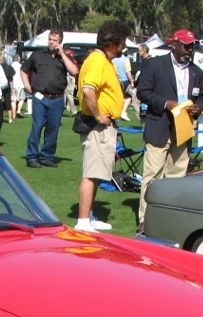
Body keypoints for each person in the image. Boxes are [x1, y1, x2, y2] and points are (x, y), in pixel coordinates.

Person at [135, 29, 203, 231]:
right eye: (186, 45)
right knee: (152, 175)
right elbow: (142, 92)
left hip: (183, 129)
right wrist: (165, 103)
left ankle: (170, 217)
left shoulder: (196, 71)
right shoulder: (155, 65)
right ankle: (145, 218)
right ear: (174, 44)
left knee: (177, 177)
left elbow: (199, 97)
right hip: (159, 126)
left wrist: (198, 106)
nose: (190, 49)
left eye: (192, 45)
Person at [75, 19, 131, 232]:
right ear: (113, 42)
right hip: (97, 126)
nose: (123, 46)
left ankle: (88, 216)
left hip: (103, 125)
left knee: (97, 172)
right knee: (91, 173)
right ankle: (82, 222)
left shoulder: (100, 60)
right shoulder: (98, 61)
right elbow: (89, 90)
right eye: (122, 42)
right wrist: (99, 116)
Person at [21, 29, 79, 168]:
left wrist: (62, 54)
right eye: (50, 39)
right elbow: (24, 70)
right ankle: (32, 156)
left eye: (55, 40)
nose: (52, 42)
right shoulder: (38, 55)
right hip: (40, 97)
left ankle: (47, 156)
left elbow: (74, 71)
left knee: (53, 129)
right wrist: (27, 86)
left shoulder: (64, 58)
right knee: (37, 126)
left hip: (57, 99)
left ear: (60, 42)